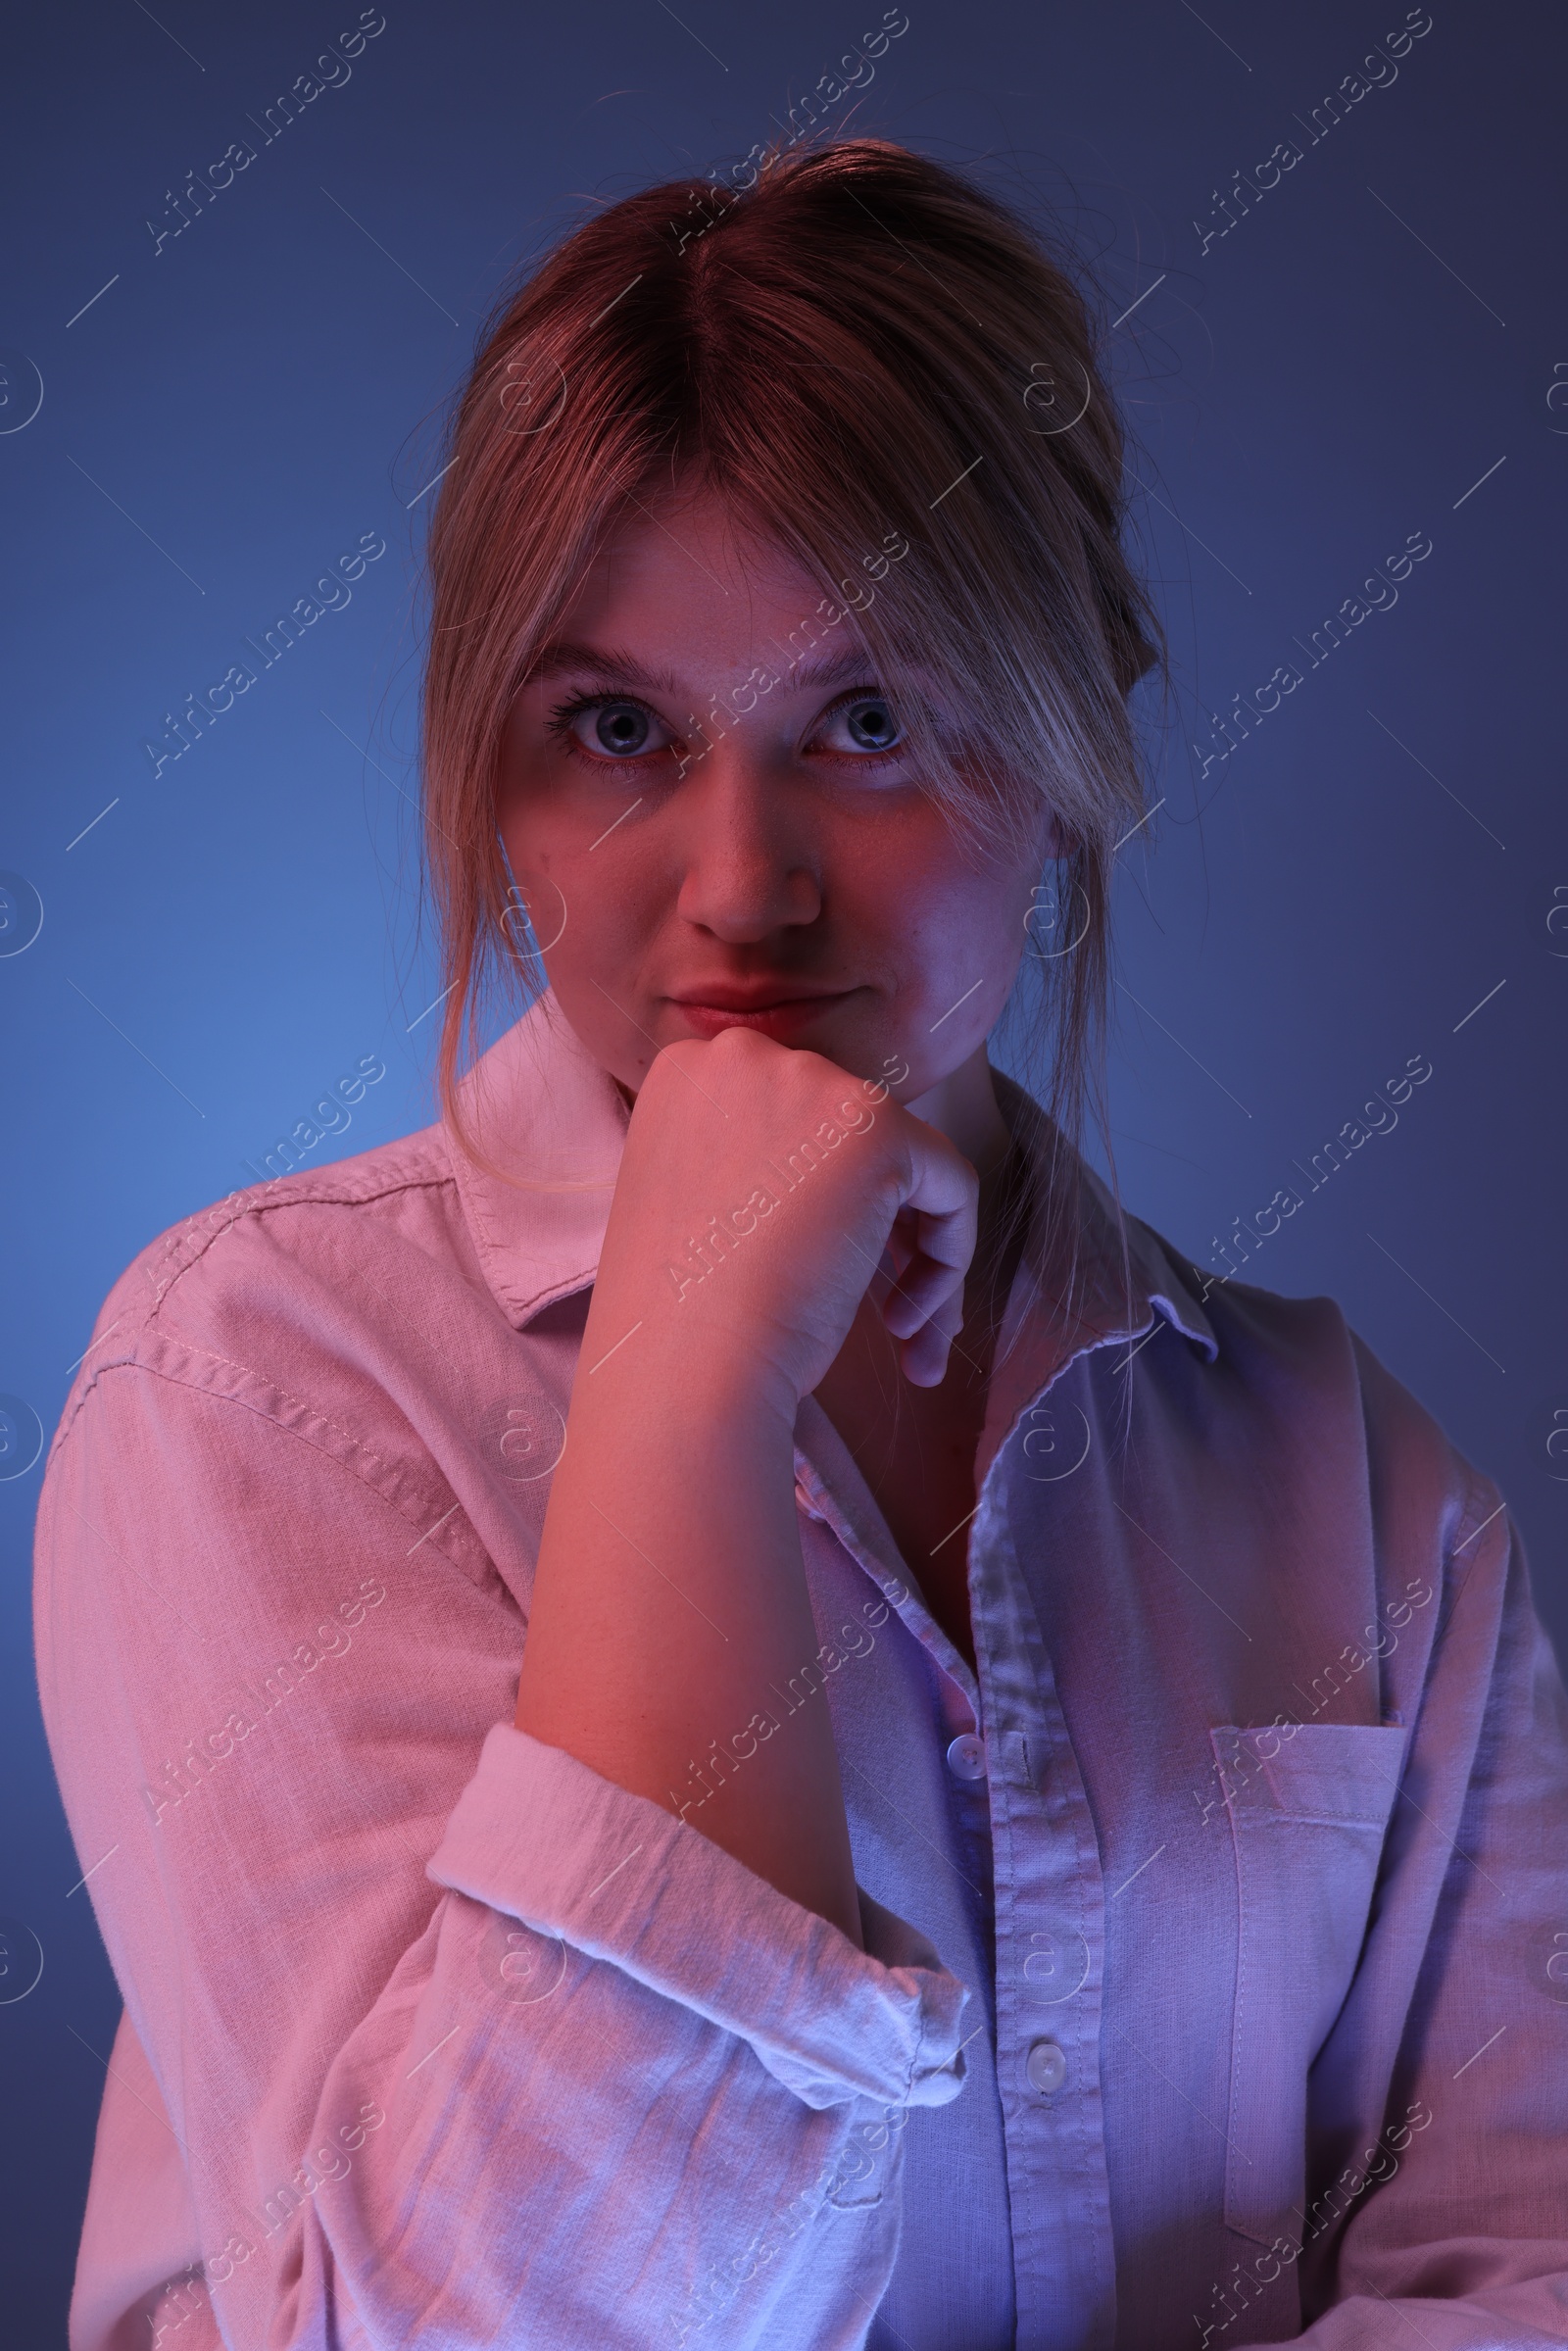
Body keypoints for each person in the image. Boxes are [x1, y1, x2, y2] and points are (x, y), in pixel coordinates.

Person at [33, 138, 1568, 2351]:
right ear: (491, 769)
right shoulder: (250, 1386)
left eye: (869, 719)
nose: (740, 885)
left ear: (1074, 736)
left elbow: (1520, 2263)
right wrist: (678, 1389)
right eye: (618, 731)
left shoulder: (1339, 1473)